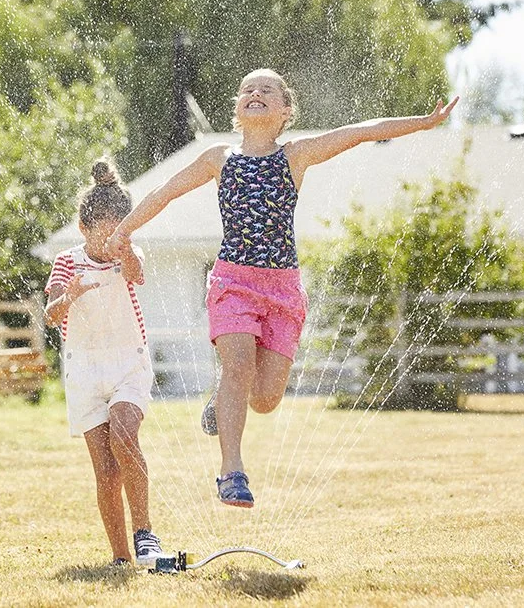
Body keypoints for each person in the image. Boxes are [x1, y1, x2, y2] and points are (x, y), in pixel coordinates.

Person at [107, 68, 458, 507]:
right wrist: (124, 229)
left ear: (286, 110)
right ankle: (231, 472)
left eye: (267, 89)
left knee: (265, 399)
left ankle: (223, 398)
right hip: (233, 280)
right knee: (238, 366)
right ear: (237, 108)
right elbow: (166, 190)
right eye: (247, 89)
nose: (255, 92)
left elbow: (358, 133)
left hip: (282, 289)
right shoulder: (219, 158)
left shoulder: (296, 155)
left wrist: (422, 123)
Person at [44, 159, 165, 567]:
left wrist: (124, 246)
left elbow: (137, 275)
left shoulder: (128, 254)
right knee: (107, 470)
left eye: (121, 231)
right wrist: (70, 296)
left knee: (125, 437)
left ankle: (145, 534)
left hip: (128, 363)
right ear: (83, 228)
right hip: (84, 371)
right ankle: (120, 556)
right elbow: (51, 315)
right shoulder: (66, 261)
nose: (113, 239)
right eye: (106, 232)